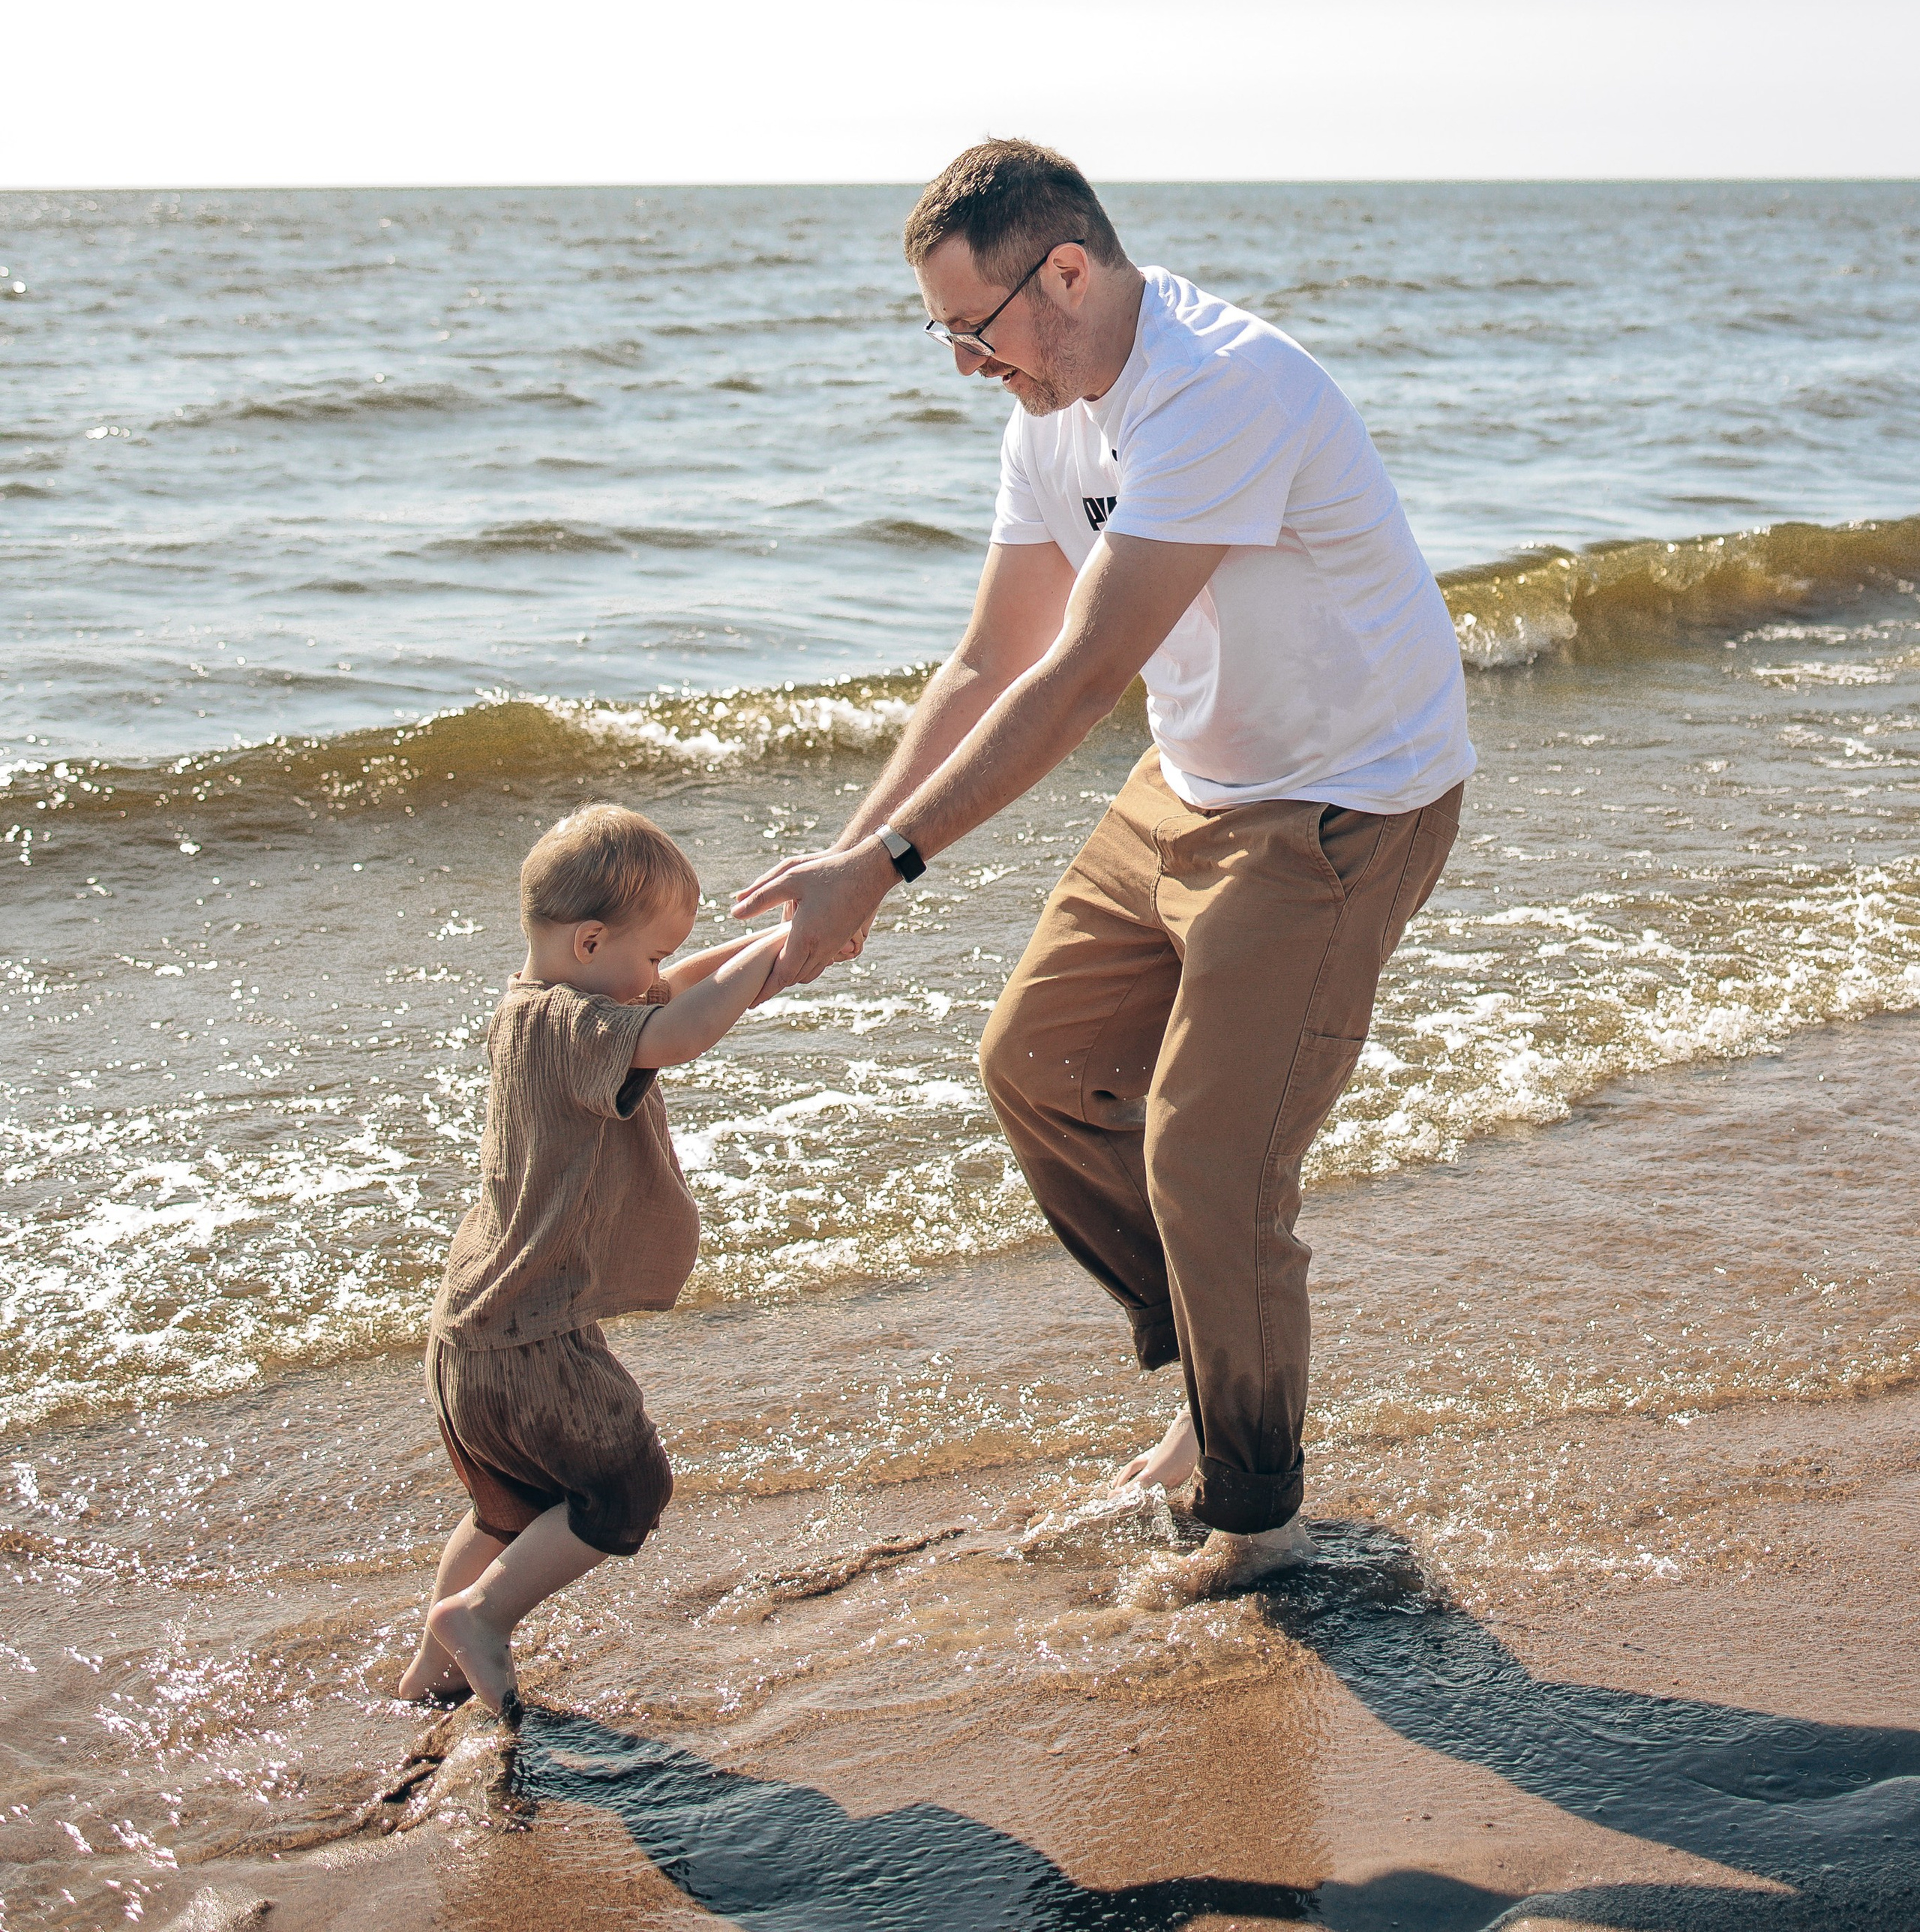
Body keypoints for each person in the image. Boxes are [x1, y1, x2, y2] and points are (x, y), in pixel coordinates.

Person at [737, 140, 1473, 1599]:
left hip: (1338, 800)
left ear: (1062, 270)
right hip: (1191, 774)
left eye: (974, 326)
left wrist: (886, 869)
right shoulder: (1052, 407)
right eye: (943, 333)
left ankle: (1255, 1521)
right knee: (1038, 1065)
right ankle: (1213, 1389)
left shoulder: (1217, 388)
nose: (963, 364)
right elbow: (987, 656)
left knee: (1210, 1160)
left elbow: (1075, 674)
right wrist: (838, 858)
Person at [400, 802, 807, 1712]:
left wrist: (781, 953)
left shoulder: (534, 1007)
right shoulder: (573, 1028)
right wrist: (760, 963)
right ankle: (480, 1619)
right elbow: (680, 1030)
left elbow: (674, 999)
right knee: (628, 1489)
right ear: (590, 942)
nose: (660, 974)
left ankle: (429, 1677)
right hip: (534, 1341)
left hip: (469, 1334)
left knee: (504, 1514)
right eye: (653, 954)